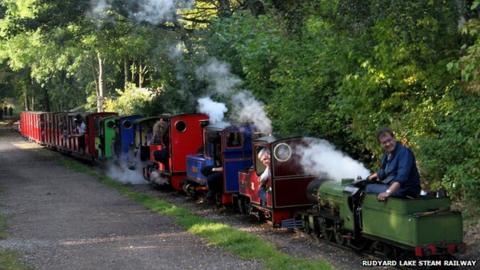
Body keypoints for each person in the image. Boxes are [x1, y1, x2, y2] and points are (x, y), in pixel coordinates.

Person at [366, 127, 421, 201]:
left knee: (368, 188)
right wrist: (371, 176)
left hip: (406, 190)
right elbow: (383, 171)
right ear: (380, 144)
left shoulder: (404, 153)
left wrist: (388, 192)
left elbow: (401, 177)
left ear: (394, 138)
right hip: (395, 187)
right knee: (364, 184)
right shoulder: (387, 153)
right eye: (384, 142)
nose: (388, 144)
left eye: (389, 140)